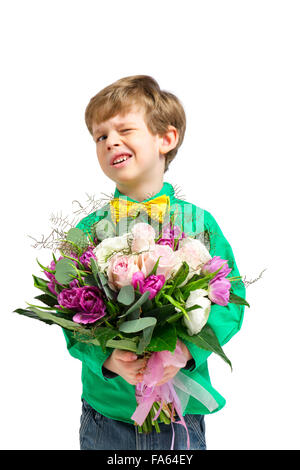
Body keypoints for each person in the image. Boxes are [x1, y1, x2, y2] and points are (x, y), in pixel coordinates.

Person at [62, 75, 246, 450]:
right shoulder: (87, 230)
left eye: (125, 129)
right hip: (108, 412)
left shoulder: (198, 224)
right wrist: (109, 359)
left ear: (166, 139)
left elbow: (230, 301)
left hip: (181, 409)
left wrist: (186, 351)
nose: (111, 141)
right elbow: (69, 313)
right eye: (100, 136)